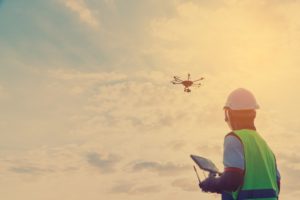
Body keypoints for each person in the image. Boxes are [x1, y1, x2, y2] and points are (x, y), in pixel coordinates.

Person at [199, 88, 280, 200]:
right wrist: (224, 178)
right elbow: (277, 183)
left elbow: (232, 180)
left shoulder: (234, 138)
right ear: (254, 114)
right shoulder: (265, 146)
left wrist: (212, 183)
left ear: (229, 114)